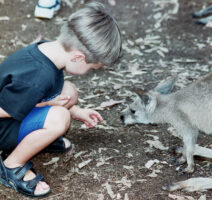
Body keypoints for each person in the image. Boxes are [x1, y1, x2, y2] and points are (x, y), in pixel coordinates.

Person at [0, 2, 122, 198]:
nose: (89, 72)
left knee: (69, 91)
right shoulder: (38, 77)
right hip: (3, 126)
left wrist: (76, 110)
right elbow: (5, 108)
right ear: (78, 57)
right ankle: (11, 166)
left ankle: (37, 140)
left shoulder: (48, 50)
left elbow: (42, 93)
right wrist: (49, 106)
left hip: (14, 114)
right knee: (59, 118)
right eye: (92, 68)